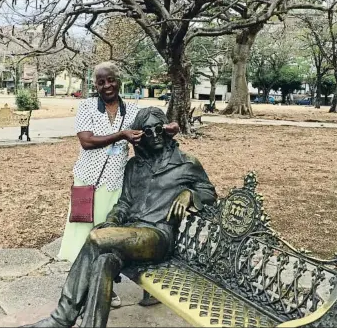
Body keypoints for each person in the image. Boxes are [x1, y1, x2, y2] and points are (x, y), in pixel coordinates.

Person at [23, 107, 217, 328]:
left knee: (97, 238)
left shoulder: (186, 163)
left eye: (158, 129)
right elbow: (124, 203)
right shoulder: (134, 166)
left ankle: (61, 318)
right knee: (104, 262)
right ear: (140, 135)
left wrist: (190, 194)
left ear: (165, 130)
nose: (154, 135)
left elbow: (209, 193)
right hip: (130, 235)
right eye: (147, 131)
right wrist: (113, 221)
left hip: (158, 237)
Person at [57, 62, 179, 308]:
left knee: (111, 235)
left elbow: (149, 128)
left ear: (118, 80)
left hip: (117, 184)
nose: (107, 86)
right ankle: (85, 284)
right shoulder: (88, 107)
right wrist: (122, 135)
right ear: (96, 85)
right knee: (84, 234)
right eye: (101, 82)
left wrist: (169, 127)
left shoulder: (132, 110)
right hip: (88, 182)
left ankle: (108, 284)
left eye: (111, 80)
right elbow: (87, 141)